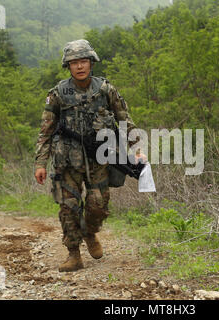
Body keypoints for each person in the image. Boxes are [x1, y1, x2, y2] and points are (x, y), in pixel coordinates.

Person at [34, 39, 146, 272]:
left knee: (97, 206)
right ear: (68, 66)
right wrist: (40, 163)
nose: (79, 66)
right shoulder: (57, 94)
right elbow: (45, 130)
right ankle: (73, 254)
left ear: (91, 62)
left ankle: (90, 232)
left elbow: (125, 119)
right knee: (68, 207)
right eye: (74, 62)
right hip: (67, 160)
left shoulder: (105, 89)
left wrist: (137, 149)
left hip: (100, 159)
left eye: (83, 61)